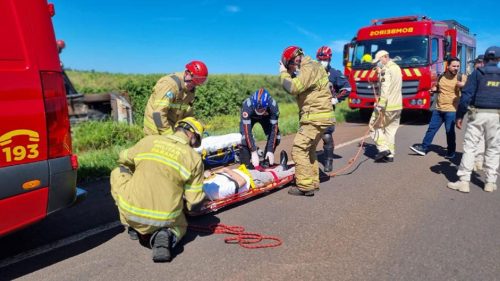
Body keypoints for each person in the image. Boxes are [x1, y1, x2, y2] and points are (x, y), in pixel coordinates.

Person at [110, 117, 206, 262]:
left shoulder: (149, 141)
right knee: (180, 225)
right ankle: (167, 235)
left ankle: (131, 225)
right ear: (192, 135)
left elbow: (122, 157)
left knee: (118, 171)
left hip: (131, 212)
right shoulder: (194, 158)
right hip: (164, 220)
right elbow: (194, 203)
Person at [279, 46, 335, 196]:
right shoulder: (313, 66)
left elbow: (293, 87)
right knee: (309, 150)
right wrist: (291, 72)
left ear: (295, 59)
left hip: (314, 118)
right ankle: (313, 182)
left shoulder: (308, 68)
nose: (291, 67)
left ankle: (305, 186)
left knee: (299, 150)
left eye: (289, 64)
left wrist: (284, 73)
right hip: (320, 117)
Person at [447, 46, 500, 193]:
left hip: (477, 114)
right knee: (494, 148)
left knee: (470, 147)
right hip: (496, 115)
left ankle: (464, 182)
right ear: (498, 59)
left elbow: (466, 96)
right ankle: (490, 182)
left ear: (485, 59)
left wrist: (459, 115)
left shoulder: (477, 74)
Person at [410, 57, 466, 159]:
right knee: (431, 129)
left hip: (451, 110)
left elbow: (470, 89)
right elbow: (437, 87)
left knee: (450, 132)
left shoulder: (461, 77)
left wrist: (463, 85)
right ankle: (424, 148)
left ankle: (451, 152)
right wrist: (432, 90)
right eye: (454, 66)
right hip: (438, 109)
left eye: (458, 66)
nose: (456, 68)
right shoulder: (441, 77)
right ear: (447, 66)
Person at [143, 61, 208, 136]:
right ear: (187, 73)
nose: (193, 86)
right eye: (193, 82)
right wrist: (169, 135)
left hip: (171, 128)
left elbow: (187, 113)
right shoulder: (169, 85)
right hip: (155, 130)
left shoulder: (190, 89)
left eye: (196, 84)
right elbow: (158, 114)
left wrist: (194, 127)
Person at [316, 46, 352, 172]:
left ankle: (328, 162)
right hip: (311, 111)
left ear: (329, 58)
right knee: (308, 139)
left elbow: (347, 88)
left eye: (324, 59)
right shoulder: (311, 72)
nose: (321, 62)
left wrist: (336, 99)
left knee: (326, 136)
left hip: (327, 111)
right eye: (319, 59)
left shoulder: (335, 74)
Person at [203, 151, 294, 200]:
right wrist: (225, 169)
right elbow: (242, 182)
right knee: (275, 176)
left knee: (270, 173)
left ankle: (281, 167)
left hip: (246, 172)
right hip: (253, 180)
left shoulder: (204, 184)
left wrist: (210, 174)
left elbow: (213, 174)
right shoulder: (217, 192)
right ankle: (294, 171)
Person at [369, 50, 403, 162]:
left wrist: (381, 104)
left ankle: (383, 149)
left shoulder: (386, 70)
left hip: (387, 106)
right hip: (397, 105)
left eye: (379, 61)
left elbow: (385, 87)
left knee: (373, 127)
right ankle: (390, 155)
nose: (378, 63)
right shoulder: (396, 68)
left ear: (385, 57)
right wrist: (379, 74)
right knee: (390, 130)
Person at [239, 88, 281, 169]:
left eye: (262, 109)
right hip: (251, 117)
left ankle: (266, 160)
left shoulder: (273, 106)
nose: (259, 110)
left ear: (267, 105)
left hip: (266, 118)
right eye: (257, 108)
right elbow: (247, 132)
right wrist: (253, 151)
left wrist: (270, 150)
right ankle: (246, 165)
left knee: (277, 137)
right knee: (243, 138)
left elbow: (273, 130)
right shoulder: (247, 106)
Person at [470, 54, 486, 171]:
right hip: (491, 112)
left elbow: (468, 93)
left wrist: (460, 114)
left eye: (476, 63)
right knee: (483, 138)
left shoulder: (476, 75)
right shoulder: (494, 75)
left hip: (477, 110)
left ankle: (474, 162)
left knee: (473, 138)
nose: (475, 65)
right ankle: (479, 161)